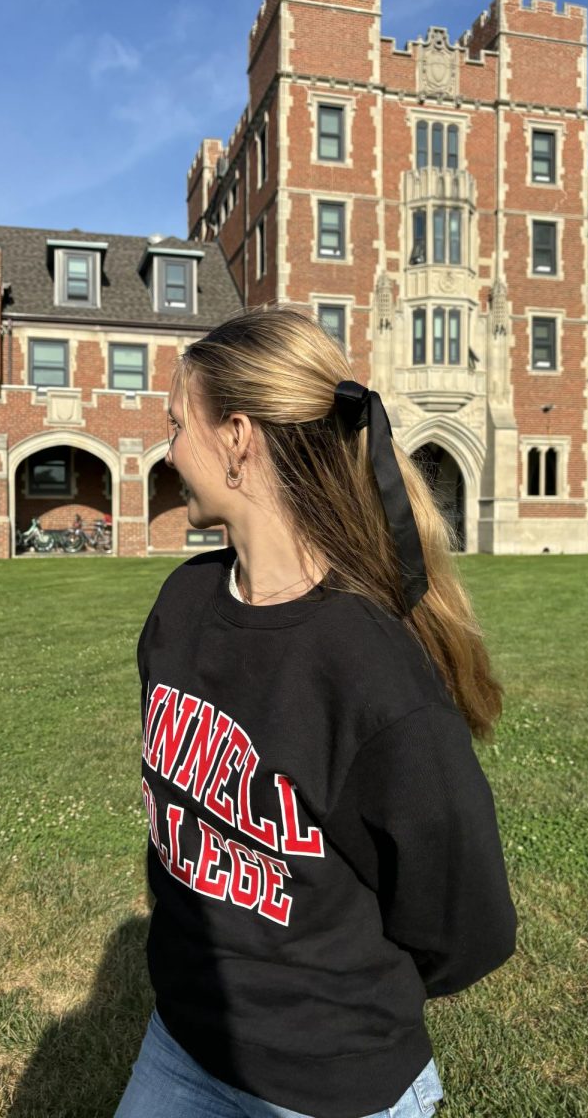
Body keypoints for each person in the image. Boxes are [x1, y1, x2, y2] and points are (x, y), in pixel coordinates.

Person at [114, 309, 516, 1118]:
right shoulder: (182, 605)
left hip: (335, 1085)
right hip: (183, 1044)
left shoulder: (370, 668)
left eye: (174, 424)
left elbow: (466, 926)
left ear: (236, 437)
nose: (166, 450)